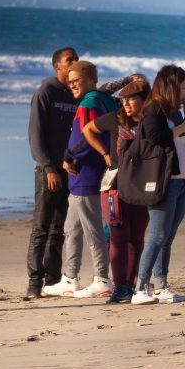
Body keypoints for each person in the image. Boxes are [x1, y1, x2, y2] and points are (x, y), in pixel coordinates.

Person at [46, 61, 119, 298]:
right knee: (72, 228)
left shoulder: (89, 103)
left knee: (92, 229)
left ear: (90, 79)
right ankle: (70, 277)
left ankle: (102, 278)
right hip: (85, 175)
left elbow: (89, 135)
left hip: (86, 173)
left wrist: (70, 157)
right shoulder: (104, 100)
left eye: (77, 80)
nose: (73, 85)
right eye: (70, 82)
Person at [131, 65, 185, 305]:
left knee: (167, 237)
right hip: (163, 181)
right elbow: (153, 139)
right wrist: (182, 129)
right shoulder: (153, 109)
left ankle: (161, 285)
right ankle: (140, 288)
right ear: (171, 86)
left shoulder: (175, 112)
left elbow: (181, 142)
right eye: (183, 87)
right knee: (157, 235)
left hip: (181, 179)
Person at [81, 75, 150, 303]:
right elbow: (88, 129)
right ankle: (120, 287)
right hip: (114, 185)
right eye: (124, 100)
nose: (126, 104)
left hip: (140, 187)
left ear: (144, 100)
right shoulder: (115, 119)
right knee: (119, 236)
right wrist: (104, 154)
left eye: (132, 100)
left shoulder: (151, 122)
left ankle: (129, 285)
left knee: (137, 237)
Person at [24, 47, 79, 299]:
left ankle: (53, 279)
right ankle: (35, 282)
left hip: (72, 171)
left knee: (60, 229)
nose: (74, 63)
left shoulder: (78, 95)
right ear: (57, 66)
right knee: (41, 227)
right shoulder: (45, 92)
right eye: (70, 60)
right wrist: (48, 168)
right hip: (49, 172)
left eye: (76, 59)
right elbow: (35, 137)